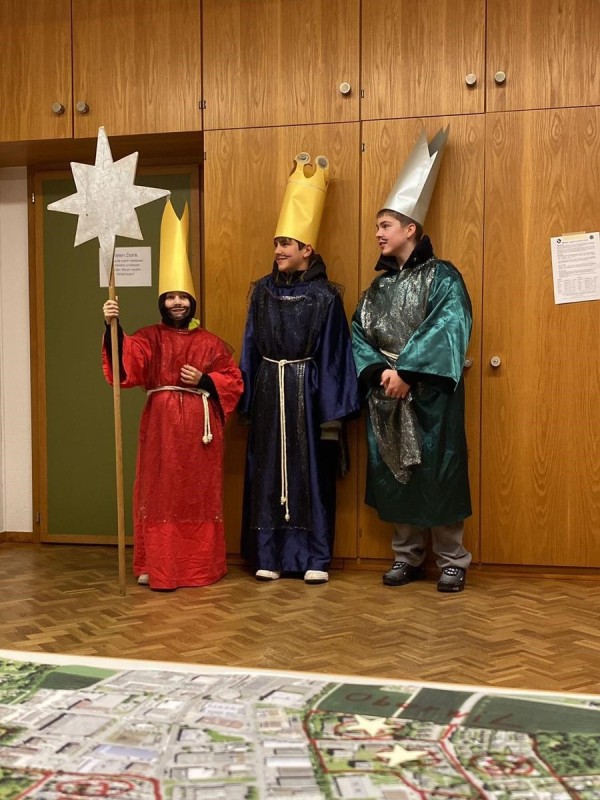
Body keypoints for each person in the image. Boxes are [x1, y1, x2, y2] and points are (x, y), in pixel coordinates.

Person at [352, 127, 473, 593]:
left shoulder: (443, 276)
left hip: (431, 397)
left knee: (438, 472)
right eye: (377, 227)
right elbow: (359, 331)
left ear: (410, 229)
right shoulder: (378, 287)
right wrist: (382, 373)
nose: (378, 234)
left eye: (385, 225)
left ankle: (452, 560)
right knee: (396, 473)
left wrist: (407, 372)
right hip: (388, 395)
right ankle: (406, 556)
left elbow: (450, 324)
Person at [102, 200, 243, 590]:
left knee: (196, 494)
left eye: (183, 296)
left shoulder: (210, 342)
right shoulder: (149, 337)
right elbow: (129, 364)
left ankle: (198, 565)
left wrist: (205, 380)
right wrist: (114, 326)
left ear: (192, 301)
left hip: (199, 433)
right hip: (161, 428)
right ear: (161, 302)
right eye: (170, 297)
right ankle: (157, 562)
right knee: (159, 490)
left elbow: (233, 381)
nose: (177, 302)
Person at [239, 153, 360, 585]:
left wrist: (331, 416)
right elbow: (250, 346)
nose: (278, 250)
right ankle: (268, 553)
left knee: (309, 471)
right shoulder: (261, 292)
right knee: (269, 471)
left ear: (306, 250)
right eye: (277, 243)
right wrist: (247, 397)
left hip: (308, 395)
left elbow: (334, 355)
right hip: (270, 390)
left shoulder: (326, 297)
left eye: (286, 244)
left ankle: (313, 556)